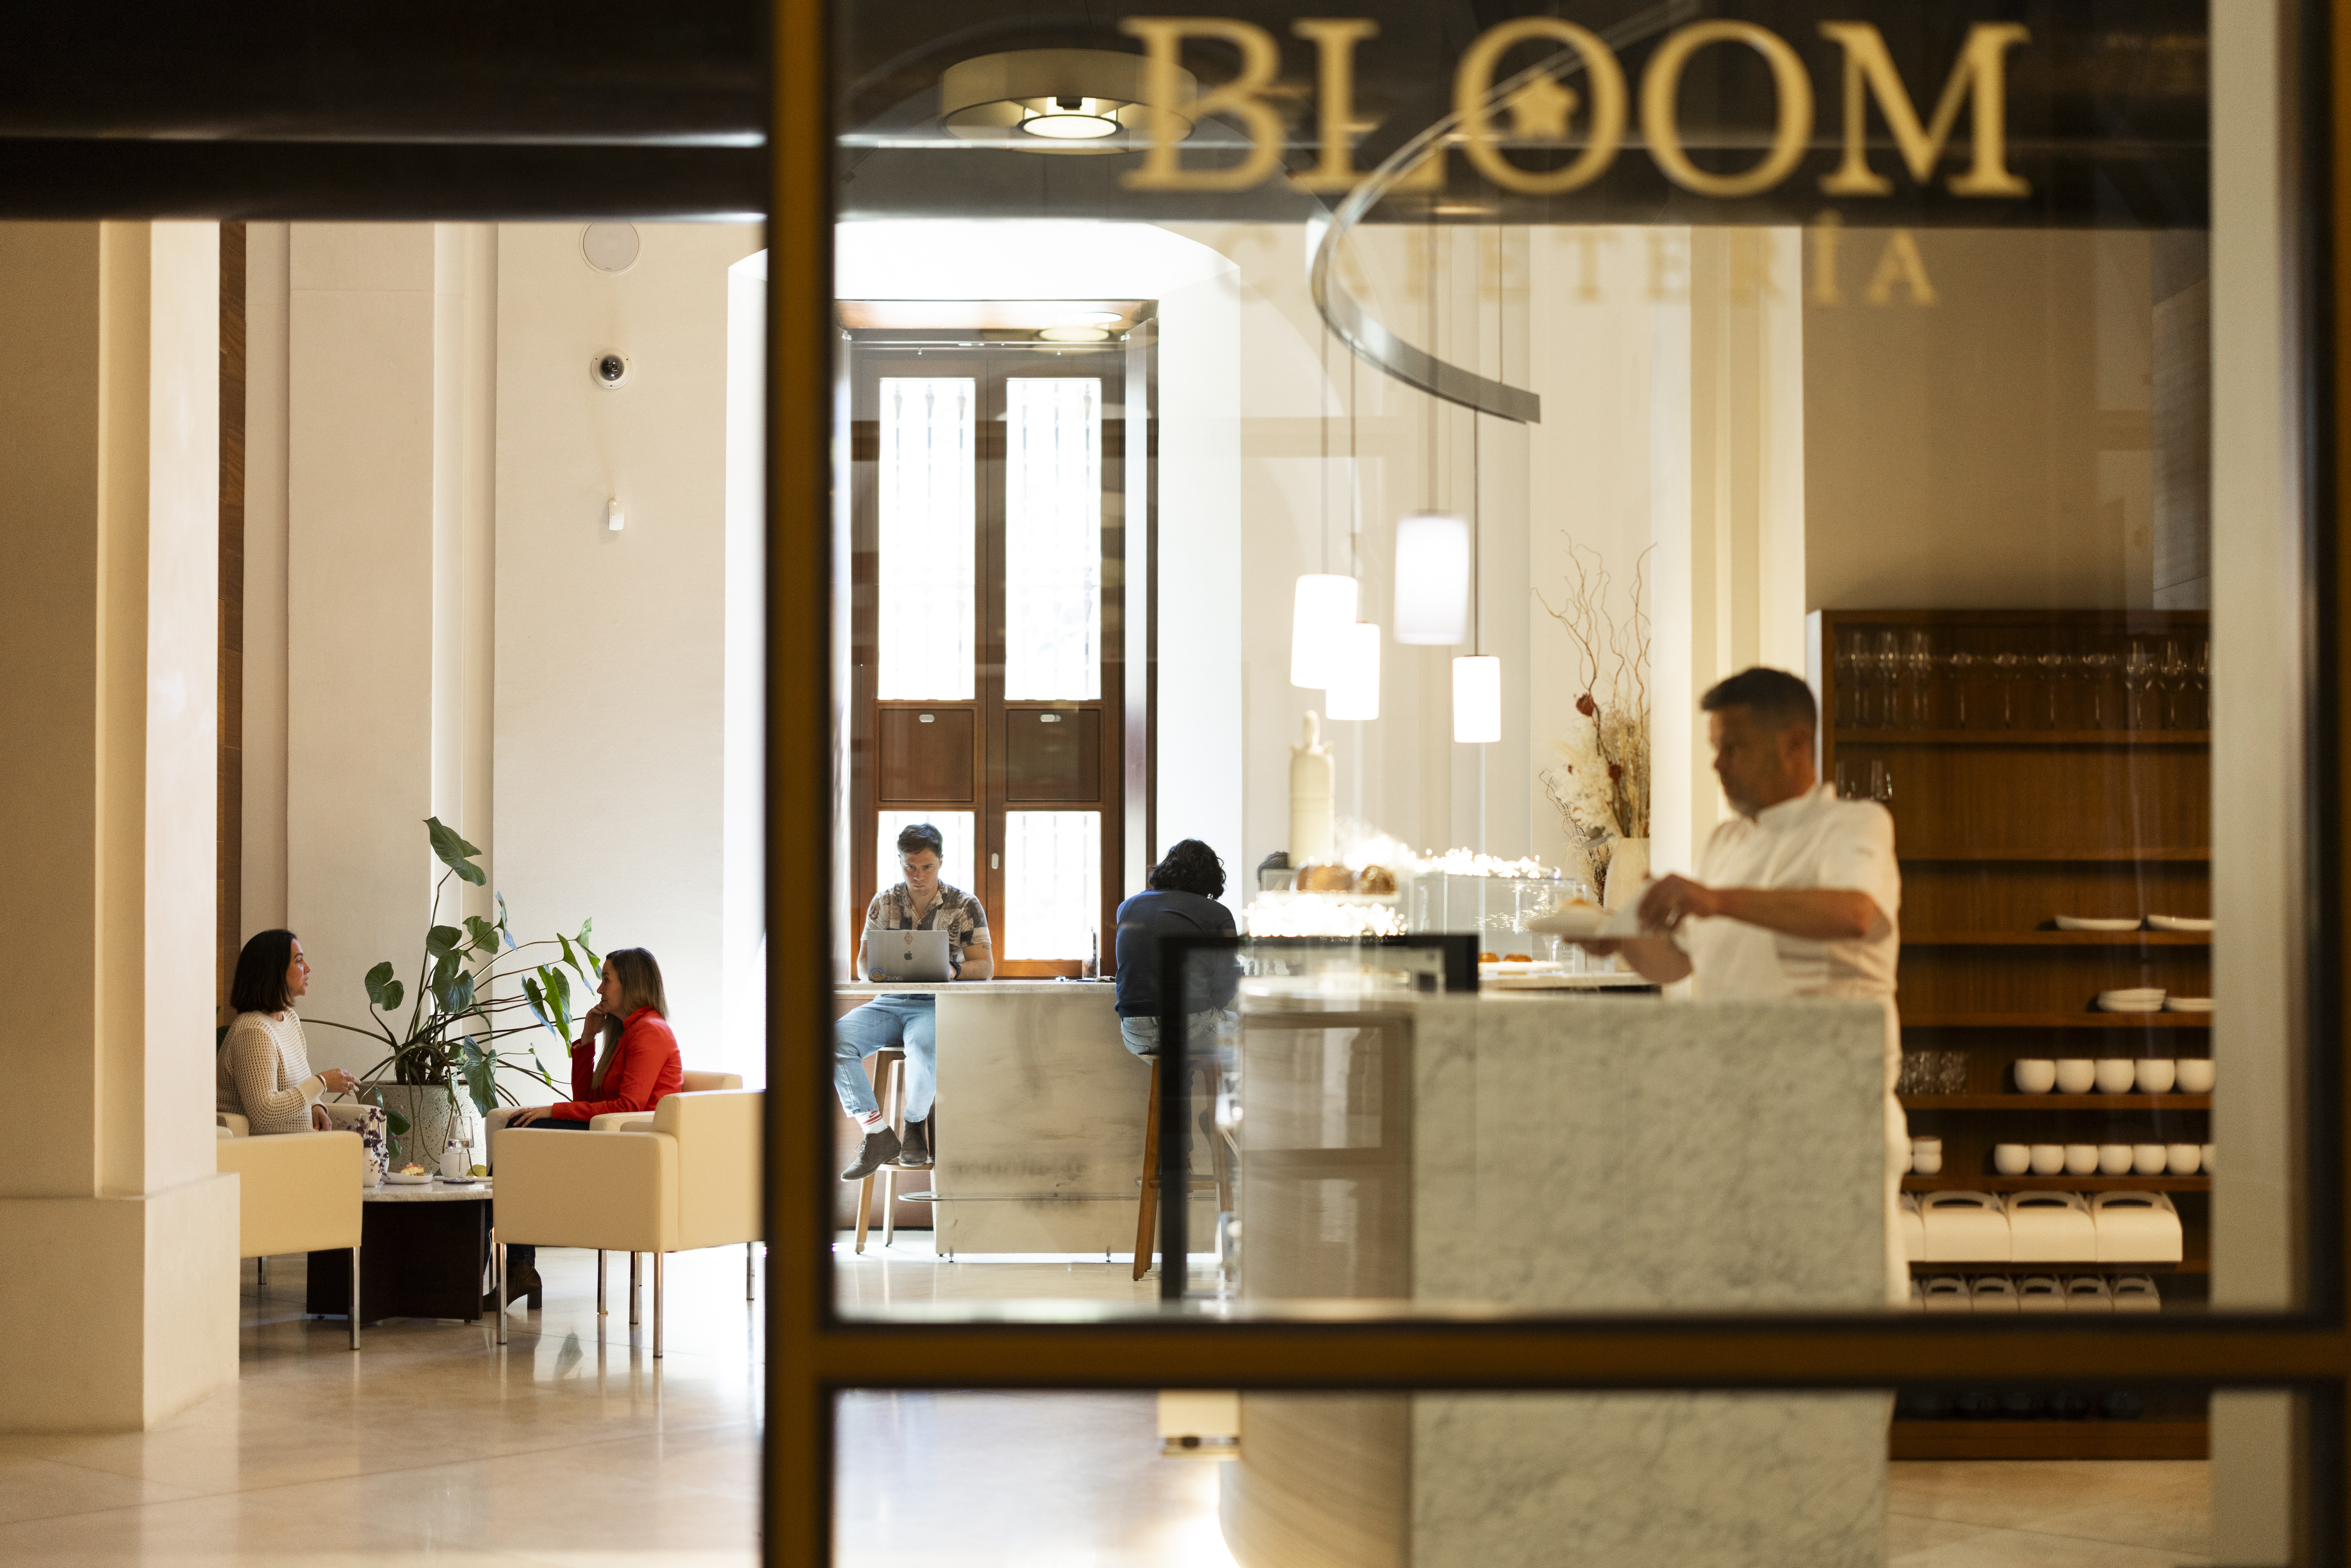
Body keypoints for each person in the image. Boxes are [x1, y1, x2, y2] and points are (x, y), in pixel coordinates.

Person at [1580, 666, 1908, 1305]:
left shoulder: (1854, 825)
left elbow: (1853, 914)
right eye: (1714, 749)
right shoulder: (1727, 842)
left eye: (1733, 747)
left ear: (1793, 744)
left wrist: (1716, 899)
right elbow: (1680, 963)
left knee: (1843, 1318)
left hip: (1832, 1120)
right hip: (1736, 1119)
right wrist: (1616, 938)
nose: (1718, 765)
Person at [498, 948, 684, 1302]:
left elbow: (628, 1107)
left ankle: (515, 1269)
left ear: (630, 984)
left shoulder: (649, 1031)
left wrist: (551, 1110)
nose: (599, 989)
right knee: (516, 1136)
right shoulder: (626, 1032)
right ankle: (517, 1269)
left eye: (607, 979)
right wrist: (588, 1039)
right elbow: (587, 1095)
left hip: (630, 1151)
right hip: (610, 1139)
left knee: (519, 1139)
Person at [836, 822, 992, 1181]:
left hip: (935, 1003)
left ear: (940, 862)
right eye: (910, 866)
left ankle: (913, 1124)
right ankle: (877, 1133)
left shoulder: (964, 904)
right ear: (900, 861)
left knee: (924, 1050)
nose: (918, 875)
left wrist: (952, 970)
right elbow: (862, 966)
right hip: (889, 1002)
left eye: (926, 867)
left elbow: (984, 967)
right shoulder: (885, 901)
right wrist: (877, 972)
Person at [1114, 839, 1237, 1059]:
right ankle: (1231, 1094)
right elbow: (1226, 980)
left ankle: (1180, 1091)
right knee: (1255, 1030)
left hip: (1135, 1032)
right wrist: (1209, 1006)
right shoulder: (1218, 913)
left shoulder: (1127, 906)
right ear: (1211, 878)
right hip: (1192, 1027)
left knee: (1181, 1061)